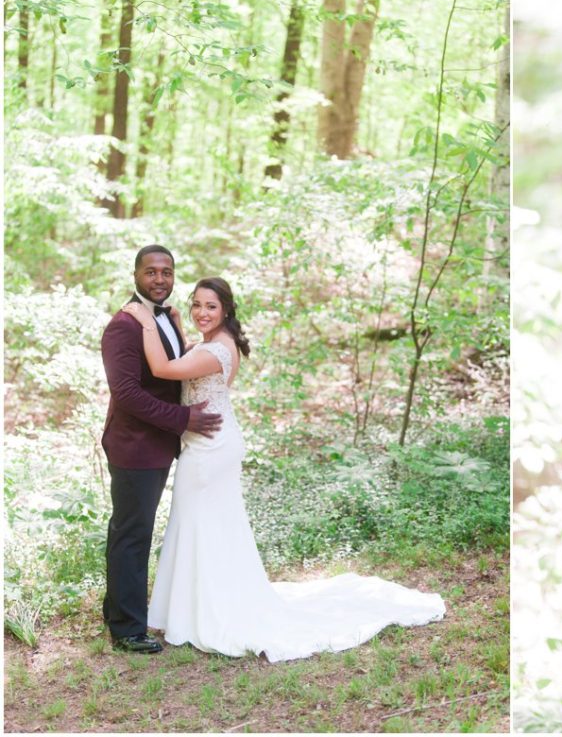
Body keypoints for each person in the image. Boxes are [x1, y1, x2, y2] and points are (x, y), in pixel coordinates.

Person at [120, 277, 445, 662]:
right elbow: (188, 357)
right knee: (205, 523)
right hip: (208, 443)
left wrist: (145, 320)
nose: (201, 312)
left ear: (226, 310)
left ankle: (210, 610)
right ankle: (198, 605)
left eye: (211, 306)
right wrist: (174, 322)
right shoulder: (214, 343)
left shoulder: (217, 350)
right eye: (196, 305)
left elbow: (162, 368)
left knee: (201, 523)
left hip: (211, 448)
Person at [101, 244, 223, 654]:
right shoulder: (123, 326)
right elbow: (127, 394)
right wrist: (183, 419)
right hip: (134, 446)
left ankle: (117, 612)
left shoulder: (168, 317)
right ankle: (128, 630)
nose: (159, 279)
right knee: (132, 534)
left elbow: (174, 372)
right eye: (151, 272)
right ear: (136, 275)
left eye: (166, 272)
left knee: (129, 529)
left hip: (159, 444)